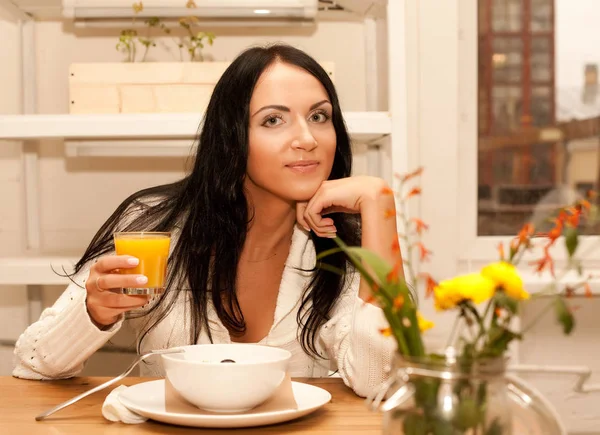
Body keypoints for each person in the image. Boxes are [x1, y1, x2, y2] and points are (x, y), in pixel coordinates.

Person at [13, 43, 401, 398]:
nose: (306, 138)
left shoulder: (356, 241)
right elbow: (34, 363)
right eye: (273, 121)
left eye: (319, 116)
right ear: (232, 137)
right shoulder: (156, 224)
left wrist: (380, 204)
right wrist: (93, 312)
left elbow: (377, 382)